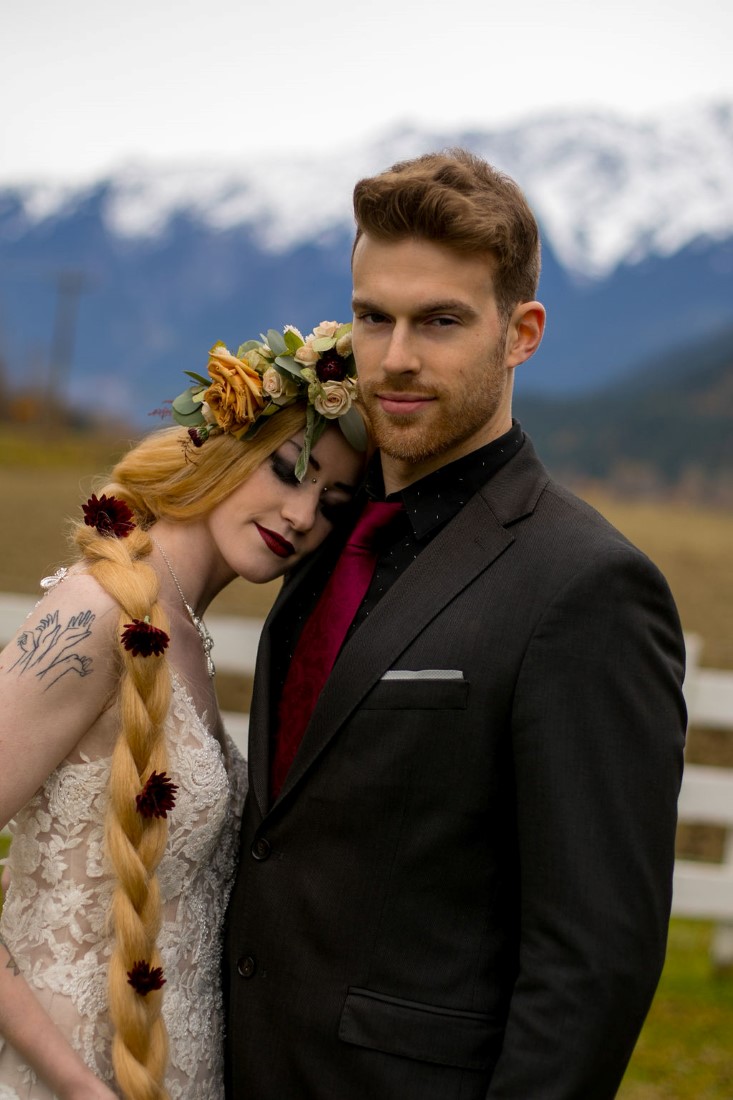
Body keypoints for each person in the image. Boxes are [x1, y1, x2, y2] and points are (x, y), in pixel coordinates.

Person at [223, 150, 687, 1099]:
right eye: (372, 317)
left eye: (439, 321)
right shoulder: (323, 544)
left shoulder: (587, 588)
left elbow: (592, 962)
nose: (395, 357)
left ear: (521, 333)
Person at [0, 321, 365, 1100]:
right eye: (285, 470)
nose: (302, 516)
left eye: (331, 500)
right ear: (225, 444)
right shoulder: (97, 615)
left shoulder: (188, 631)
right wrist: (77, 1086)